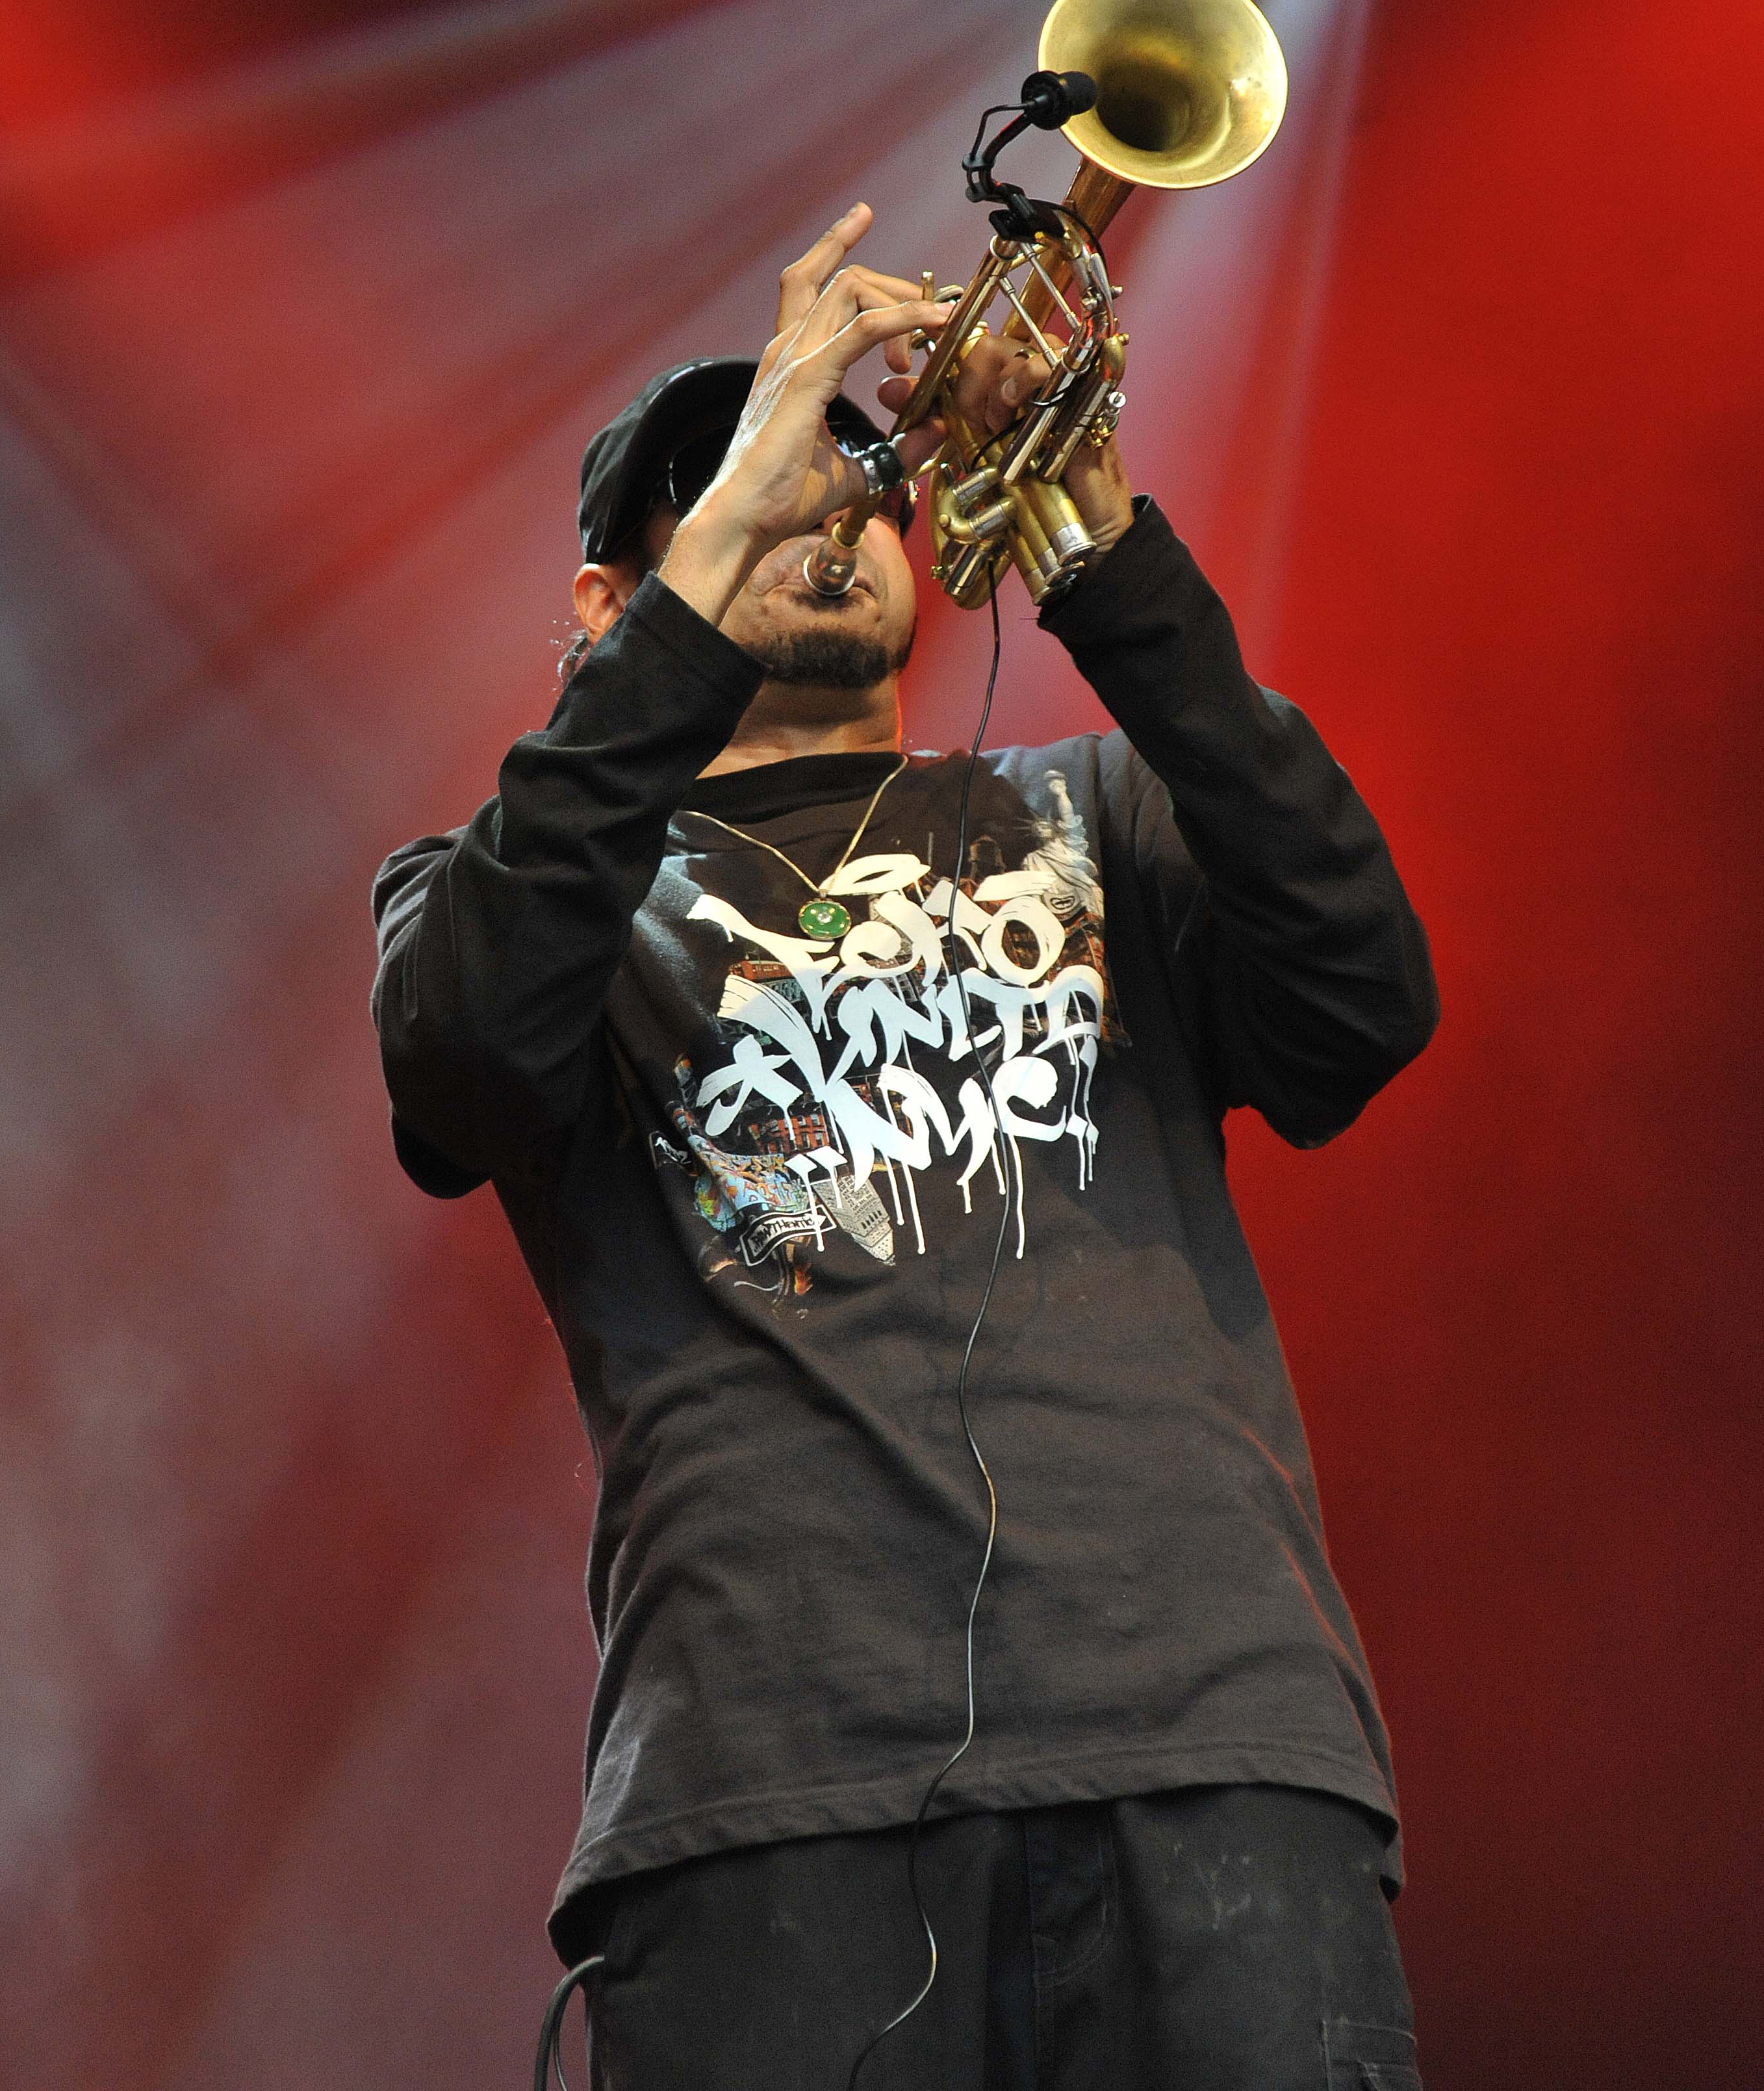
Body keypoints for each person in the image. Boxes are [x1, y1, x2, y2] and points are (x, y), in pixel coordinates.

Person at [371, 202, 1440, 2089]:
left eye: (849, 464)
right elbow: (460, 1066)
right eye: (738, 482)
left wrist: (1105, 544)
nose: (826, 497)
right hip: (769, 1801)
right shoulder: (516, 898)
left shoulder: (1107, 808)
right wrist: (729, 537)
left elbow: (1365, 1001)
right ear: (614, 607)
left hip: (1212, 1751)